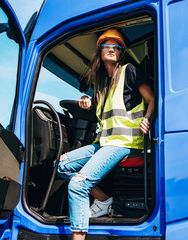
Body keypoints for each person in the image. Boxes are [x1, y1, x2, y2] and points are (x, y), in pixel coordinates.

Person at [57, 28, 154, 240]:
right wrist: (85, 99)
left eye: (116, 46)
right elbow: (100, 111)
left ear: (121, 52)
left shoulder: (129, 71)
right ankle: (103, 201)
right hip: (103, 143)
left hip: (123, 143)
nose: (111, 49)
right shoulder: (102, 85)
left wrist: (147, 118)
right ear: (100, 51)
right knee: (62, 165)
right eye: (106, 46)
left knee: (78, 184)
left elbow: (152, 98)